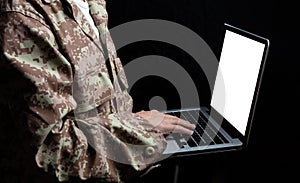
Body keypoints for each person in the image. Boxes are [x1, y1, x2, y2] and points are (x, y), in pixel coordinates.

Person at [0, 0, 195, 182]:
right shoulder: (22, 16)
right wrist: (140, 128)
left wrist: (145, 135)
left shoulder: (90, 4)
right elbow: (50, 152)